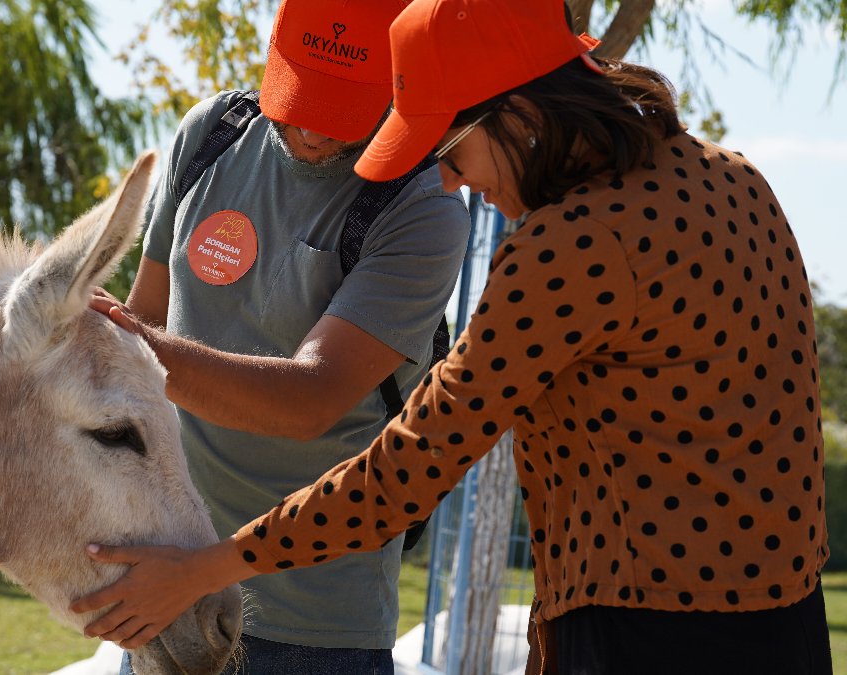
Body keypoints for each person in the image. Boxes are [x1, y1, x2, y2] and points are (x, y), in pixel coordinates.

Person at [74, 0, 833, 673]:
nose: (455, 184)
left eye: (451, 151)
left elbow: (404, 469)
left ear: (519, 117)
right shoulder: (736, 178)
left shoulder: (568, 248)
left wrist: (210, 567)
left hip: (648, 633)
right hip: (785, 617)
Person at [86, 0, 472, 672]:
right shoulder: (211, 135)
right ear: (277, 51)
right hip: (166, 589)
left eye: (340, 109)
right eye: (299, 97)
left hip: (315, 625)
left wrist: (119, 342)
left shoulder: (422, 205)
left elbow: (310, 399)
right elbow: (144, 317)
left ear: (398, 81)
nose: (313, 131)